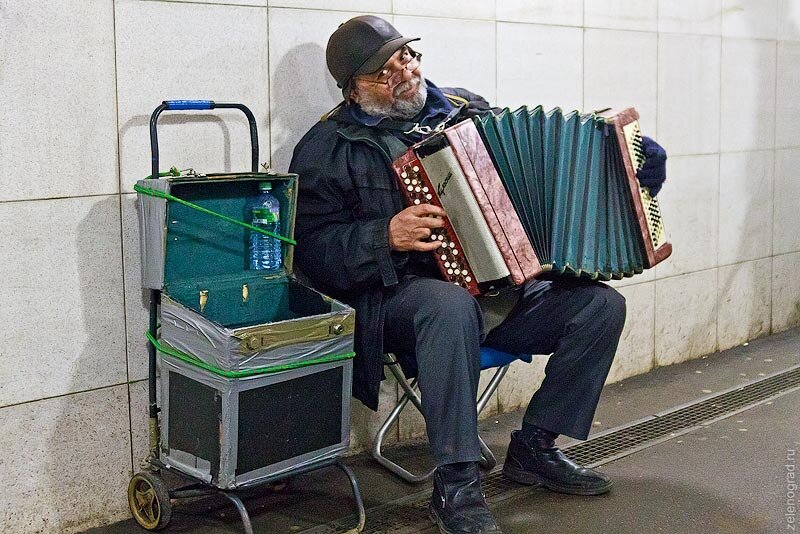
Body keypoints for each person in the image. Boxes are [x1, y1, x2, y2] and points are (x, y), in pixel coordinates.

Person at [289, 15, 667, 534]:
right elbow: (311, 251)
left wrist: (627, 162)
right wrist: (385, 235)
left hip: (500, 291)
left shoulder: (466, 111)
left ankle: (534, 448)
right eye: (384, 68)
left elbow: (548, 173)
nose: (403, 70)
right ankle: (457, 485)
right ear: (354, 87)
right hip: (401, 298)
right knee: (448, 305)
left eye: (407, 55)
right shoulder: (328, 148)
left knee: (599, 306)